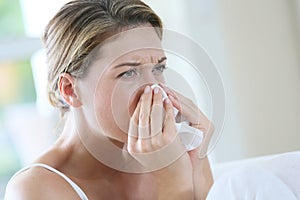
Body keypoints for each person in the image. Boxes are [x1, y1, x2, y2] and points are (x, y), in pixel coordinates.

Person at [5, 0, 214, 199]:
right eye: (129, 73)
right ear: (70, 90)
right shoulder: (35, 189)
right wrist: (173, 182)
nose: (156, 90)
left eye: (158, 68)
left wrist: (198, 161)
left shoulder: (173, 155)